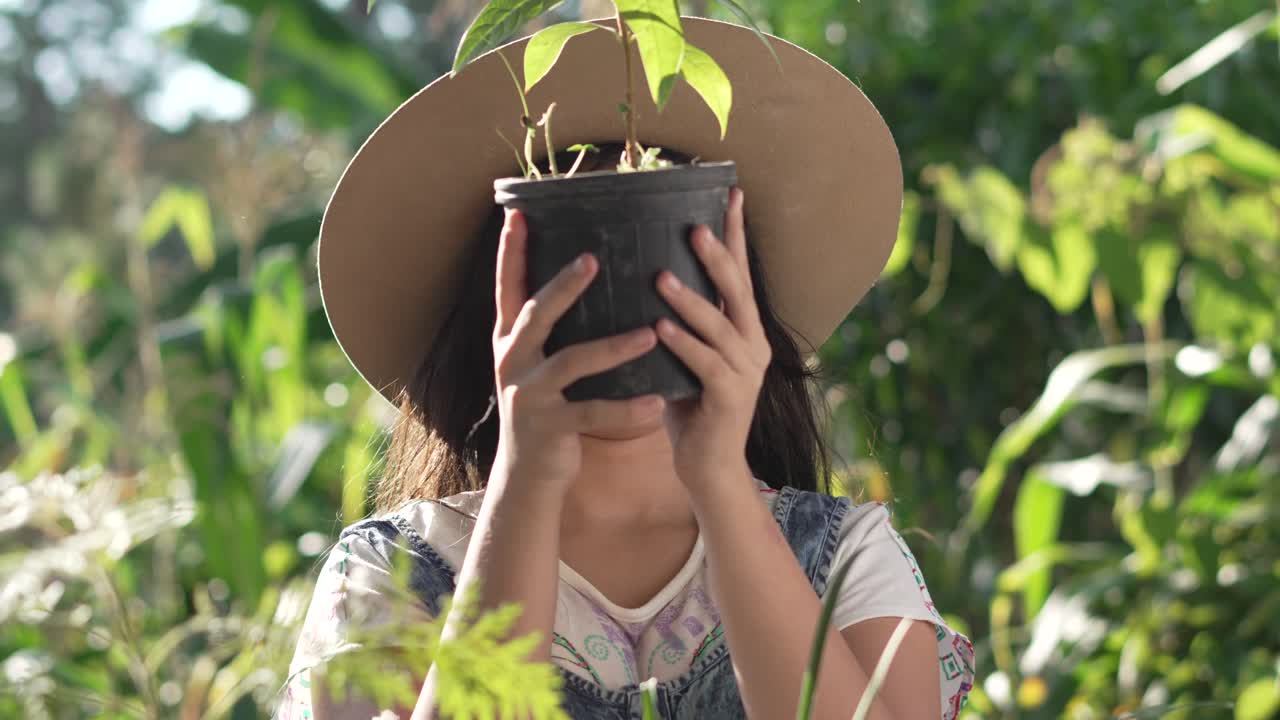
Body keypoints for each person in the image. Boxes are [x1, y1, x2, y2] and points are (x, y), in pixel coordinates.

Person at [277, 16, 974, 720]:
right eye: (573, 257)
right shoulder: (390, 572)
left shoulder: (843, 558)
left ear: (738, 292)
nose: (625, 295)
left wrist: (720, 480)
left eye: (666, 250)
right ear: (495, 301)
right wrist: (528, 477)